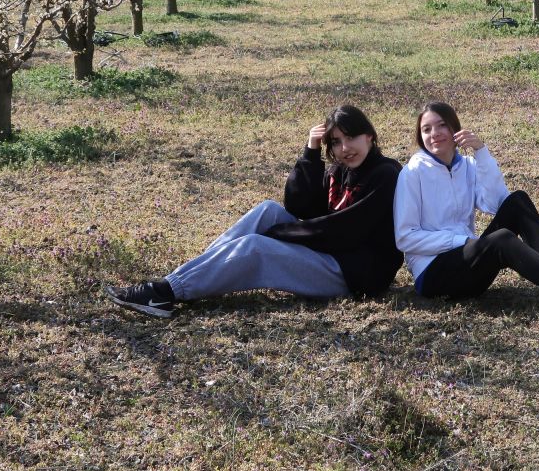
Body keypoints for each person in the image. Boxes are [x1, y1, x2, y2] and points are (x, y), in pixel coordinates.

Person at [106, 104, 403, 318]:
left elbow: (344, 231)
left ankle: (166, 293)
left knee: (256, 245)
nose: (344, 148)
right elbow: (299, 206)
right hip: (331, 255)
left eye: (351, 138)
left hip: (357, 275)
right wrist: (311, 152)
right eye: (336, 142)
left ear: (370, 137)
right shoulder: (338, 170)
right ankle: (178, 281)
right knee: (267, 211)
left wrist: (279, 236)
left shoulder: (386, 174)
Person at [393, 101, 539, 325]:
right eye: (426, 129)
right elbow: (405, 237)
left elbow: (497, 202)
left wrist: (481, 152)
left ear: (456, 129)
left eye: (441, 125)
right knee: (501, 240)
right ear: (420, 136)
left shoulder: (466, 166)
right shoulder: (412, 173)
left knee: (517, 201)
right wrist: (462, 241)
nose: (434, 134)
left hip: (467, 261)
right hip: (434, 275)